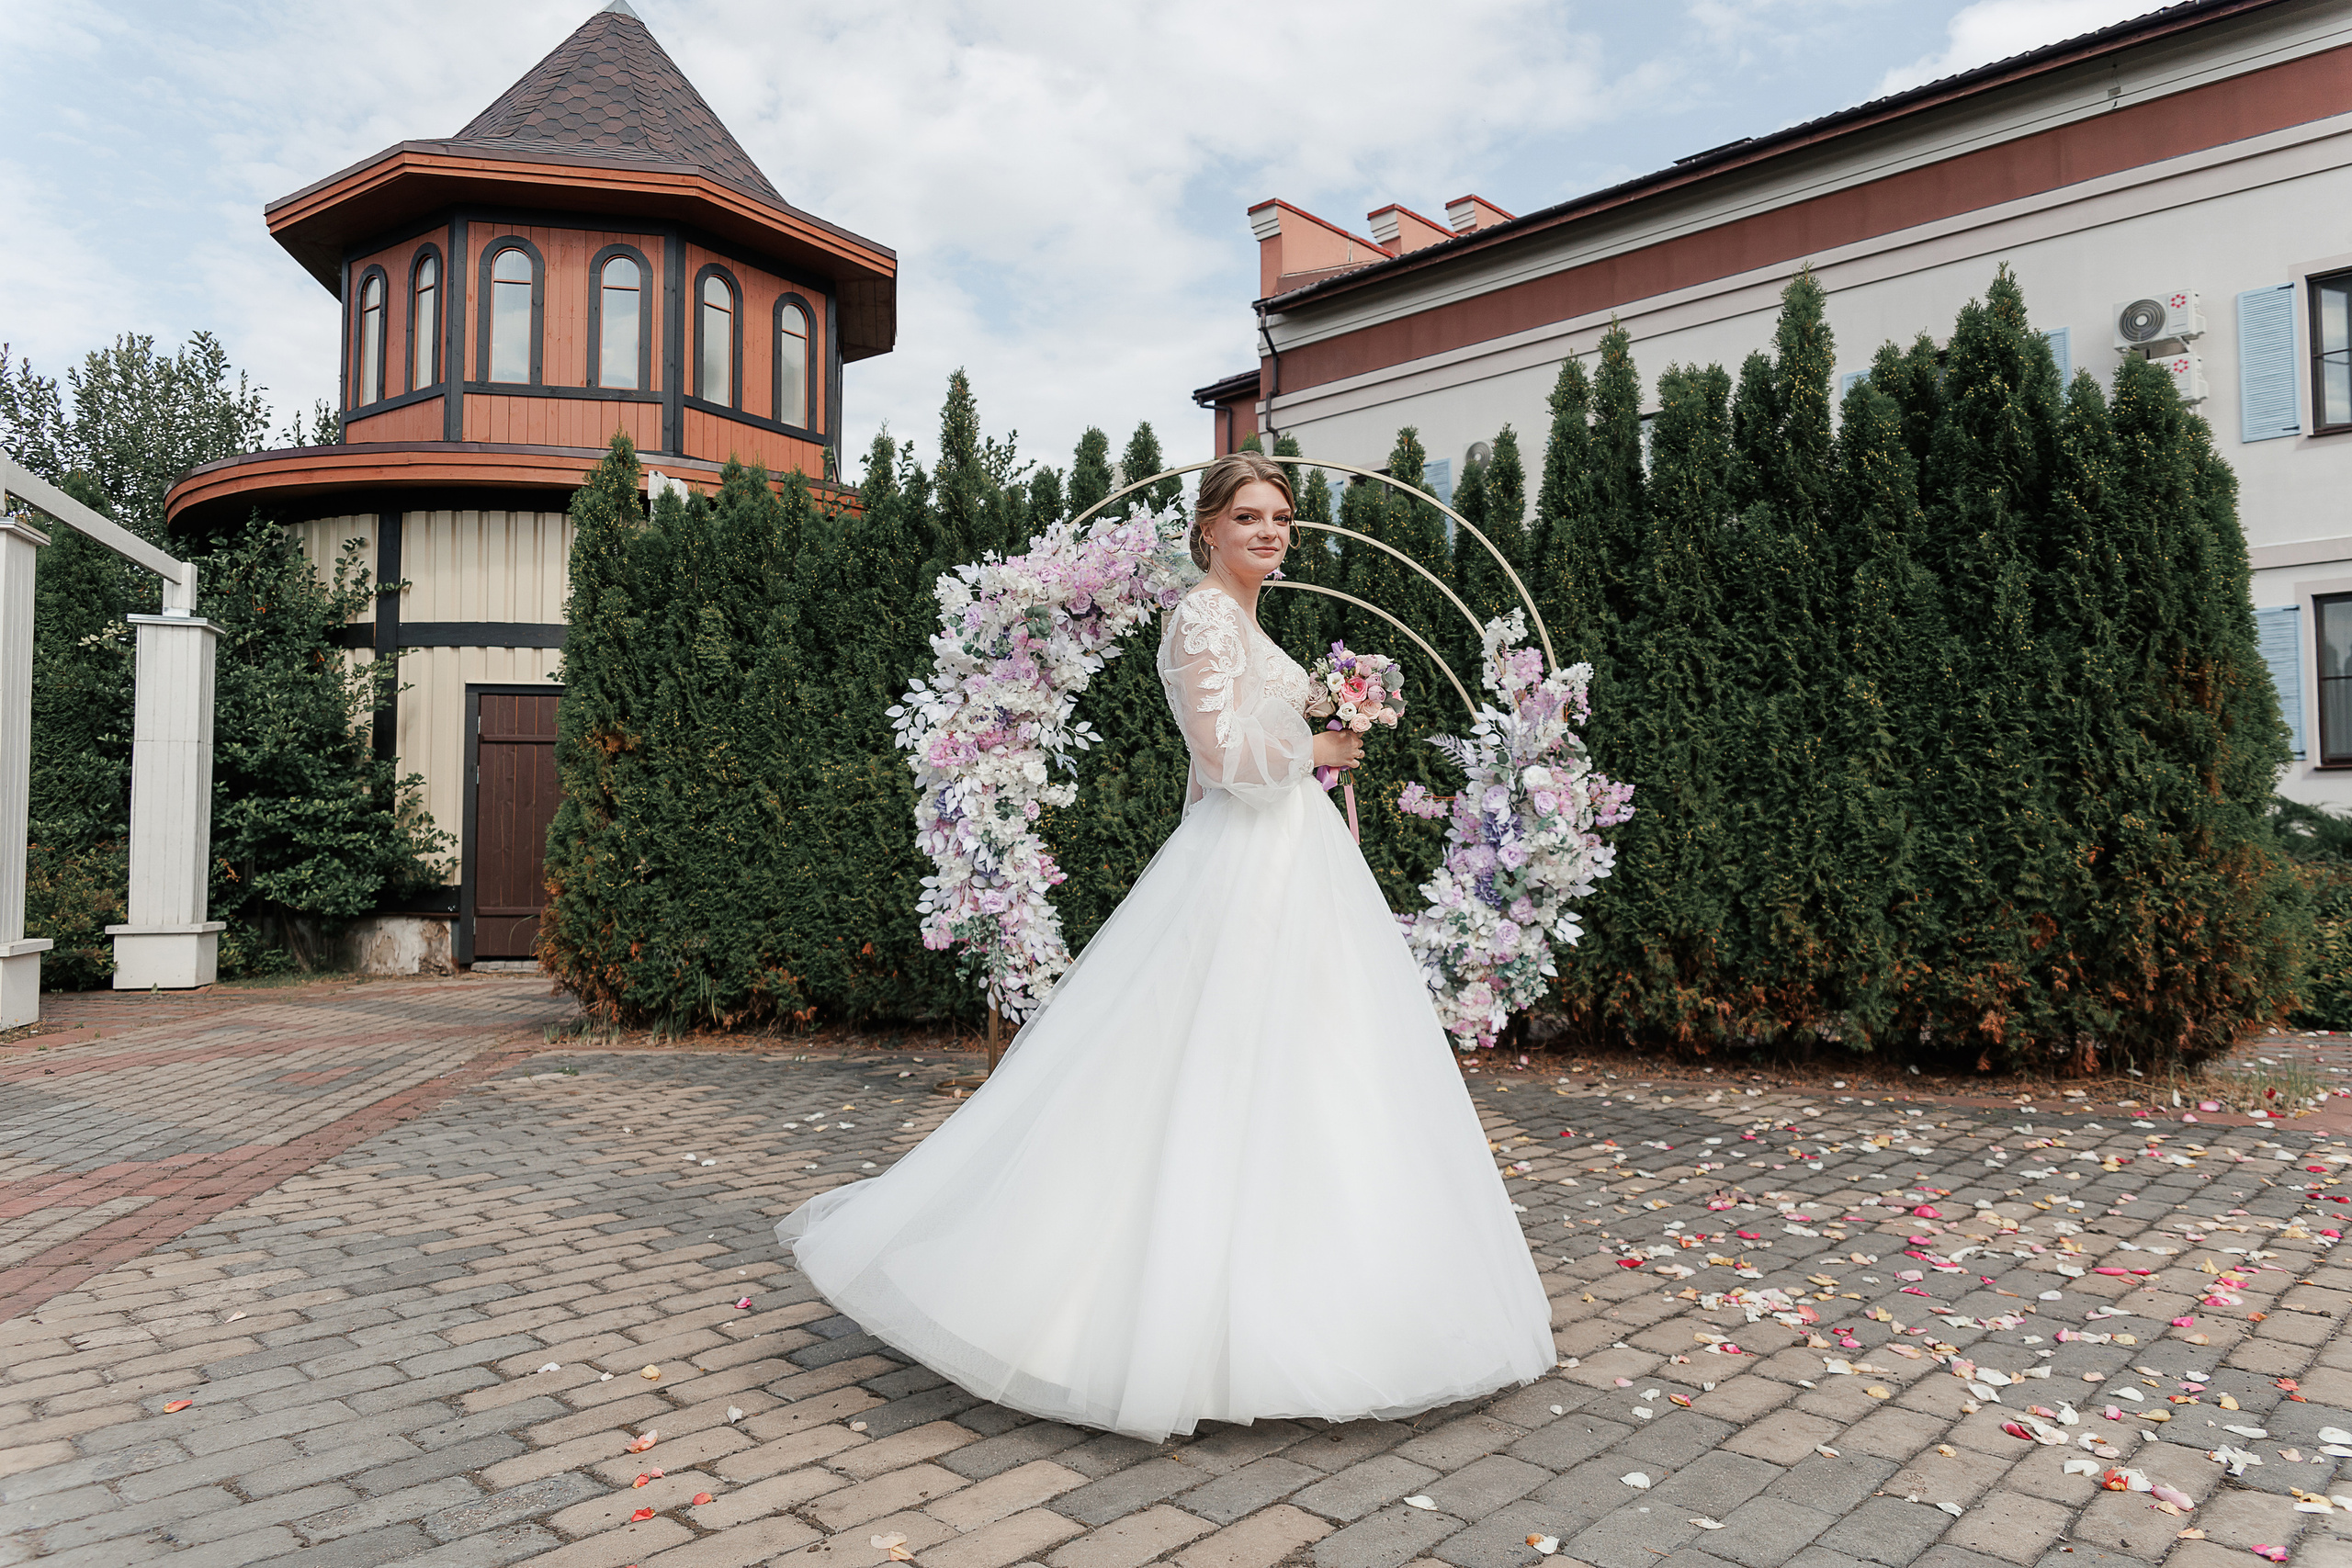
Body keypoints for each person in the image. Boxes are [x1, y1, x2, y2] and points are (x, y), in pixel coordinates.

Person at [775, 452, 1556, 1442]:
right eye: (1248, 516)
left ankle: (1320, 1292)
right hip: (1246, 859)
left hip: (1291, 856)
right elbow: (1217, 755)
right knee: (1209, 1057)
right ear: (1208, 529)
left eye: (1280, 518)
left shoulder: (1246, 621)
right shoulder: (1200, 617)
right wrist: (1316, 747)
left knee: (1312, 1059)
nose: (1268, 532)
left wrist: (1319, 735)